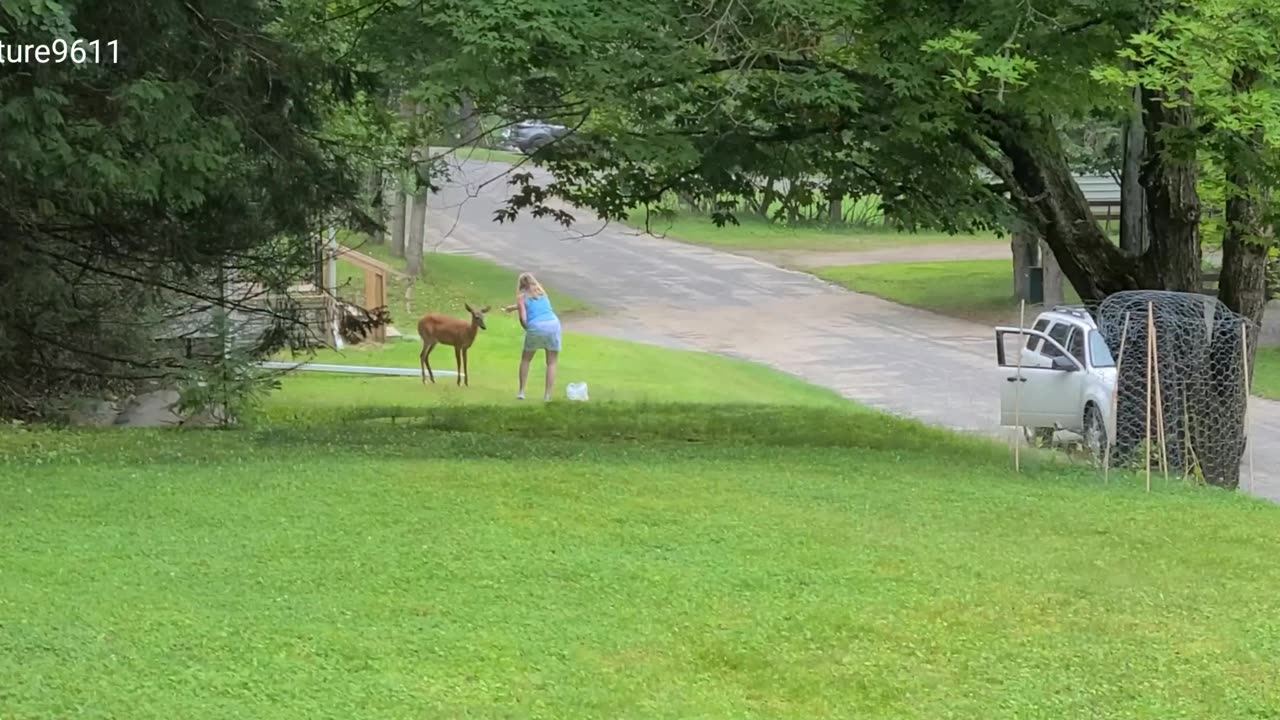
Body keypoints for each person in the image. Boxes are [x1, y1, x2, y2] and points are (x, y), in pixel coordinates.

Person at [504, 272, 561, 401]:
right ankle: (547, 396)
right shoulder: (542, 292)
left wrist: (528, 329)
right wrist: (513, 308)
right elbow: (534, 304)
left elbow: (524, 318)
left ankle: (521, 392)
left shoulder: (521, 297)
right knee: (551, 362)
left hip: (536, 327)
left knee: (526, 359)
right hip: (553, 324)